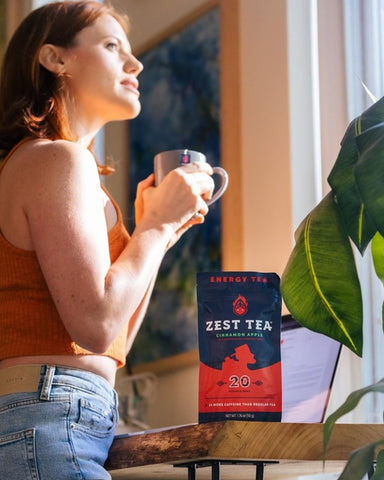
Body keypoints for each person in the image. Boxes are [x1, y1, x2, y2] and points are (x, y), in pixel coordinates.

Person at [0, 1, 215, 478]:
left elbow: (111, 344)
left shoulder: (55, 166)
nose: (135, 63)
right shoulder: (57, 159)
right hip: (48, 417)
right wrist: (154, 227)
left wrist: (156, 233)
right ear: (55, 58)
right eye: (113, 45)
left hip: (59, 416)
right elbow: (95, 324)